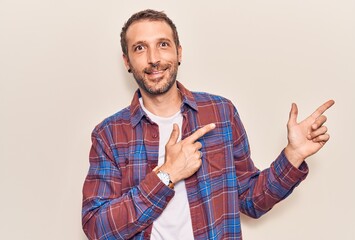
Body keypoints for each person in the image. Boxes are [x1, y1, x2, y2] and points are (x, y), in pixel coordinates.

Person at [82, 9, 334, 240]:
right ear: (127, 61)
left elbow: (250, 200)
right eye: (139, 48)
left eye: (163, 44)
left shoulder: (220, 113)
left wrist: (292, 155)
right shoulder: (109, 135)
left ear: (179, 52)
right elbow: (97, 228)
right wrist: (166, 175)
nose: (153, 59)